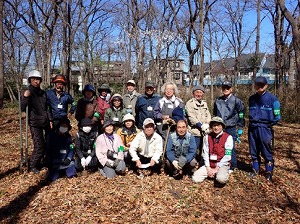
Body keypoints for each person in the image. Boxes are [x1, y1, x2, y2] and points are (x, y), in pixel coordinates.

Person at [248, 76, 281, 182]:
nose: (260, 87)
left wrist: (268, 125)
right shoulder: (251, 99)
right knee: (254, 150)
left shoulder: (273, 99)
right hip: (253, 128)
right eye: (257, 84)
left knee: (266, 151)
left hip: (265, 128)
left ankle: (269, 172)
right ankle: (255, 169)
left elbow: (277, 117)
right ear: (255, 86)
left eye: (262, 85)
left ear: (266, 85)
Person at [21, 70, 51, 174]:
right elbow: (22, 107)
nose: (36, 81)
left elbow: (47, 108)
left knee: (48, 143)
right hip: (35, 123)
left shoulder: (43, 93)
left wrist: (50, 119)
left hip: (45, 121)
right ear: (30, 80)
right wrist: (25, 97)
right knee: (39, 145)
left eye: (38, 79)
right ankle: (33, 165)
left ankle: (40, 162)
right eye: (34, 79)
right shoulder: (28, 92)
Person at [213, 81, 245, 172]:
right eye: (224, 88)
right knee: (219, 145)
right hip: (219, 127)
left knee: (230, 147)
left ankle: (232, 165)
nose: (225, 90)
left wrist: (240, 127)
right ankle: (219, 163)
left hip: (231, 127)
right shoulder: (218, 100)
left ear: (231, 89)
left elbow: (241, 114)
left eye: (228, 88)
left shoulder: (236, 100)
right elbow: (215, 113)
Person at [192, 117, 233, 186]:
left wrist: (217, 168)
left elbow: (228, 156)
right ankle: (212, 174)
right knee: (195, 178)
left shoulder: (228, 137)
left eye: (218, 125)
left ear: (222, 127)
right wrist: (208, 167)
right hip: (210, 164)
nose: (216, 128)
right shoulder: (208, 137)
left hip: (222, 164)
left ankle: (223, 172)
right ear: (211, 127)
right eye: (214, 125)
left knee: (221, 179)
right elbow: (205, 153)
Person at [185, 85, 211, 161]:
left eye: (201, 92)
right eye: (197, 92)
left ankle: (202, 164)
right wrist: (200, 125)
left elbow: (208, 114)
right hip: (194, 132)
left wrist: (207, 124)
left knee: (204, 151)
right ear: (193, 93)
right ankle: (189, 165)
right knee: (193, 150)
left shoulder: (204, 103)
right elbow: (191, 117)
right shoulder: (189, 103)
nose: (199, 94)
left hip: (205, 131)